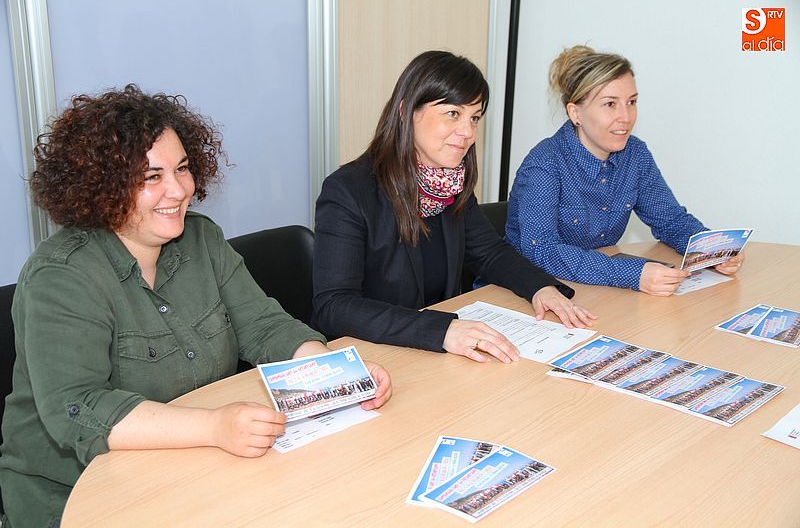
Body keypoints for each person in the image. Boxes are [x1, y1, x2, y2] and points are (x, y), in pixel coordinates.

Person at [0, 85, 391, 527]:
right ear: (101, 186)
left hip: (195, 469)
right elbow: (78, 409)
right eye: (151, 177)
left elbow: (264, 327)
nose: (178, 189)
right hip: (77, 496)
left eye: (182, 169)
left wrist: (341, 376)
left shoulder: (202, 240)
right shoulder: (62, 275)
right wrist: (214, 427)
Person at [312, 51, 595, 365]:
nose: (468, 132)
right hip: (380, 357)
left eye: (474, 118)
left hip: (438, 358)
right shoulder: (349, 191)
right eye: (452, 114)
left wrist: (540, 286)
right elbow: (335, 306)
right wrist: (442, 330)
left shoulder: (449, 184)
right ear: (406, 111)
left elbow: (490, 253)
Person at [505, 45, 744, 297]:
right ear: (575, 112)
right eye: (610, 104)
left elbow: (671, 221)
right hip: (531, 290)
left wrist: (714, 250)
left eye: (631, 102)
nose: (626, 117)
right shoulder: (545, 164)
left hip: (594, 287)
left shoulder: (635, 154)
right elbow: (542, 251)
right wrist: (632, 274)